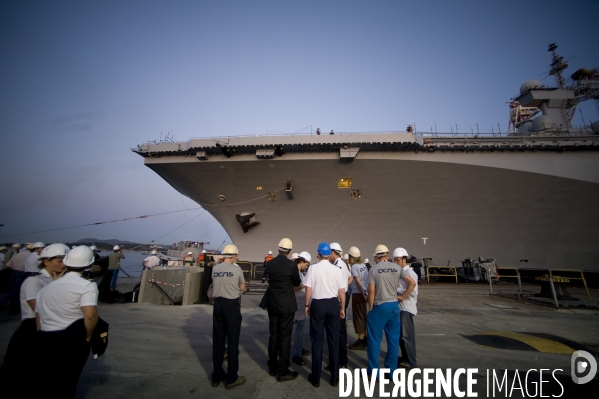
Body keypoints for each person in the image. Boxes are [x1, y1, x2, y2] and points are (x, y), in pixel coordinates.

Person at [0, 243, 69, 389]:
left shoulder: (57, 281)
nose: (64, 265)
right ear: (46, 261)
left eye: (65, 261)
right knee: (20, 372)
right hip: (31, 329)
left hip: (51, 329)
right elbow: (39, 309)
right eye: (59, 261)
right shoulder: (34, 281)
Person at [35, 245, 99, 398]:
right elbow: (90, 315)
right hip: (71, 339)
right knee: (68, 381)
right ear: (89, 264)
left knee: (47, 380)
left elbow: (38, 316)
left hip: (45, 337)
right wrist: (88, 337)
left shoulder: (47, 287)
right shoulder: (87, 286)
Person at [304, 242, 346, 388]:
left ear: (318, 254)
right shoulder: (337, 269)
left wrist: (307, 305)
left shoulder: (313, 268)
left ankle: (316, 378)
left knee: (316, 341)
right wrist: (342, 308)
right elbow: (342, 290)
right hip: (333, 304)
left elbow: (308, 289)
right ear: (329, 254)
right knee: (333, 341)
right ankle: (334, 377)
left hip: (318, 305)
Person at [264, 238, 301, 382]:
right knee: (285, 337)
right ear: (290, 250)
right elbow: (297, 282)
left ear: (278, 249)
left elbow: (268, 278)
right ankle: (283, 370)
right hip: (286, 304)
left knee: (273, 335)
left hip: (272, 303)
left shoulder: (270, 263)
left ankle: (272, 366)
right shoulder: (291, 265)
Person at [211, 244, 246, 390]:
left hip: (217, 305)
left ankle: (217, 375)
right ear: (234, 256)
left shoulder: (215, 268)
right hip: (231, 305)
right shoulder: (237, 269)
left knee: (218, 341)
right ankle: (232, 378)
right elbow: (242, 286)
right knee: (232, 342)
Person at [365, 244, 404, 377]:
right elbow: (412, 282)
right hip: (394, 305)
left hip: (379, 306)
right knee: (393, 339)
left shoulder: (373, 270)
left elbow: (371, 291)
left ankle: (374, 371)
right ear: (387, 255)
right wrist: (403, 297)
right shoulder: (397, 268)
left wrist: (370, 308)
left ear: (376, 256)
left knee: (374, 339)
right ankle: (392, 371)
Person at [327, 242, 352, 370]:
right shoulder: (342, 264)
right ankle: (339, 361)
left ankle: (340, 362)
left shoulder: (338, 266)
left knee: (338, 332)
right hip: (343, 297)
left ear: (332, 252)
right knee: (339, 331)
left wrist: (340, 302)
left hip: (338, 299)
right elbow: (350, 277)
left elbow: (342, 286)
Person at [393, 247, 418, 369]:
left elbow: (413, 291)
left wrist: (401, 295)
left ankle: (410, 361)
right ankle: (404, 357)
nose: (396, 262)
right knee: (401, 335)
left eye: (398, 260)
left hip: (406, 308)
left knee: (407, 336)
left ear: (404, 259)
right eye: (395, 260)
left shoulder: (411, 274)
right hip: (400, 308)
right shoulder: (399, 272)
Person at [291, 251, 311, 366]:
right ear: (303, 261)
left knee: (301, 329)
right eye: (306, 264)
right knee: (299, 329)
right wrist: (305, 286)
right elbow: (292, 288)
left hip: (300, 303)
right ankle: (297, 354)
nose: (306, 267)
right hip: (297, 305)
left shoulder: (300, 273)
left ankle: (299, 347)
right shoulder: (296, 273)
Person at [0, 243, 31, 314]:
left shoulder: (17, 255)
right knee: (16, 291)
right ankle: (11, 307)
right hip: (21, 273)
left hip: (13, 272)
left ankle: (10, 306)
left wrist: (15, 269)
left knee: (12, 290)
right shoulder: (30, 256)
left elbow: (8, 264)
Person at [348, 246, 368, 350]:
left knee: (358, 317)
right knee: (364, 315)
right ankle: (365, 337)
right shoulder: (363, 265)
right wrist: (366, 293)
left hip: (358, 293)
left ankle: (361, 340)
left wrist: (362, 293)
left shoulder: (354, 267)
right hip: (365, 292)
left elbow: (358, 282)